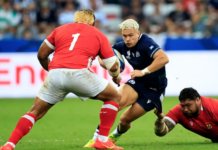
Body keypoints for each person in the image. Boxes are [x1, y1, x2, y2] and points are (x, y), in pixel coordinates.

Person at [0, 9, 124, 150]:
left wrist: (52, 70)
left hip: (56, 74)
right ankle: (101, 140)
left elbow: (41, 54)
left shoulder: (60, 30)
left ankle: (9, 144)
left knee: (34, 112)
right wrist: (116, 77)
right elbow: (113, 65)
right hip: (80, 74)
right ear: (93, 23)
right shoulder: (98, 34)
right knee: (114, 96)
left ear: (75, 19)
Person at [84, 18, 169, 147]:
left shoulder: (146, 42)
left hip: (154, 90)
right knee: (114, 103)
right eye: (124, 36)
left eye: (130, 35)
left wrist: (143, 71)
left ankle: (114, 137)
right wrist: (113, 71)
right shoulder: (122, 46)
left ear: (138, 33)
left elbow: (164, 58)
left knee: (124, 120)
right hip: (137, 83)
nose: (127, 39)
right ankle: (97, 138)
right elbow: (105, 57)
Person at [154, 87, 218, 143]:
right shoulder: (178, 111)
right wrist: (160, 119)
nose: (185, 109)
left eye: (188, 105)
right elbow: (161, 132)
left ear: (197, 100)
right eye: (183, 106)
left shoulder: (213, 108)